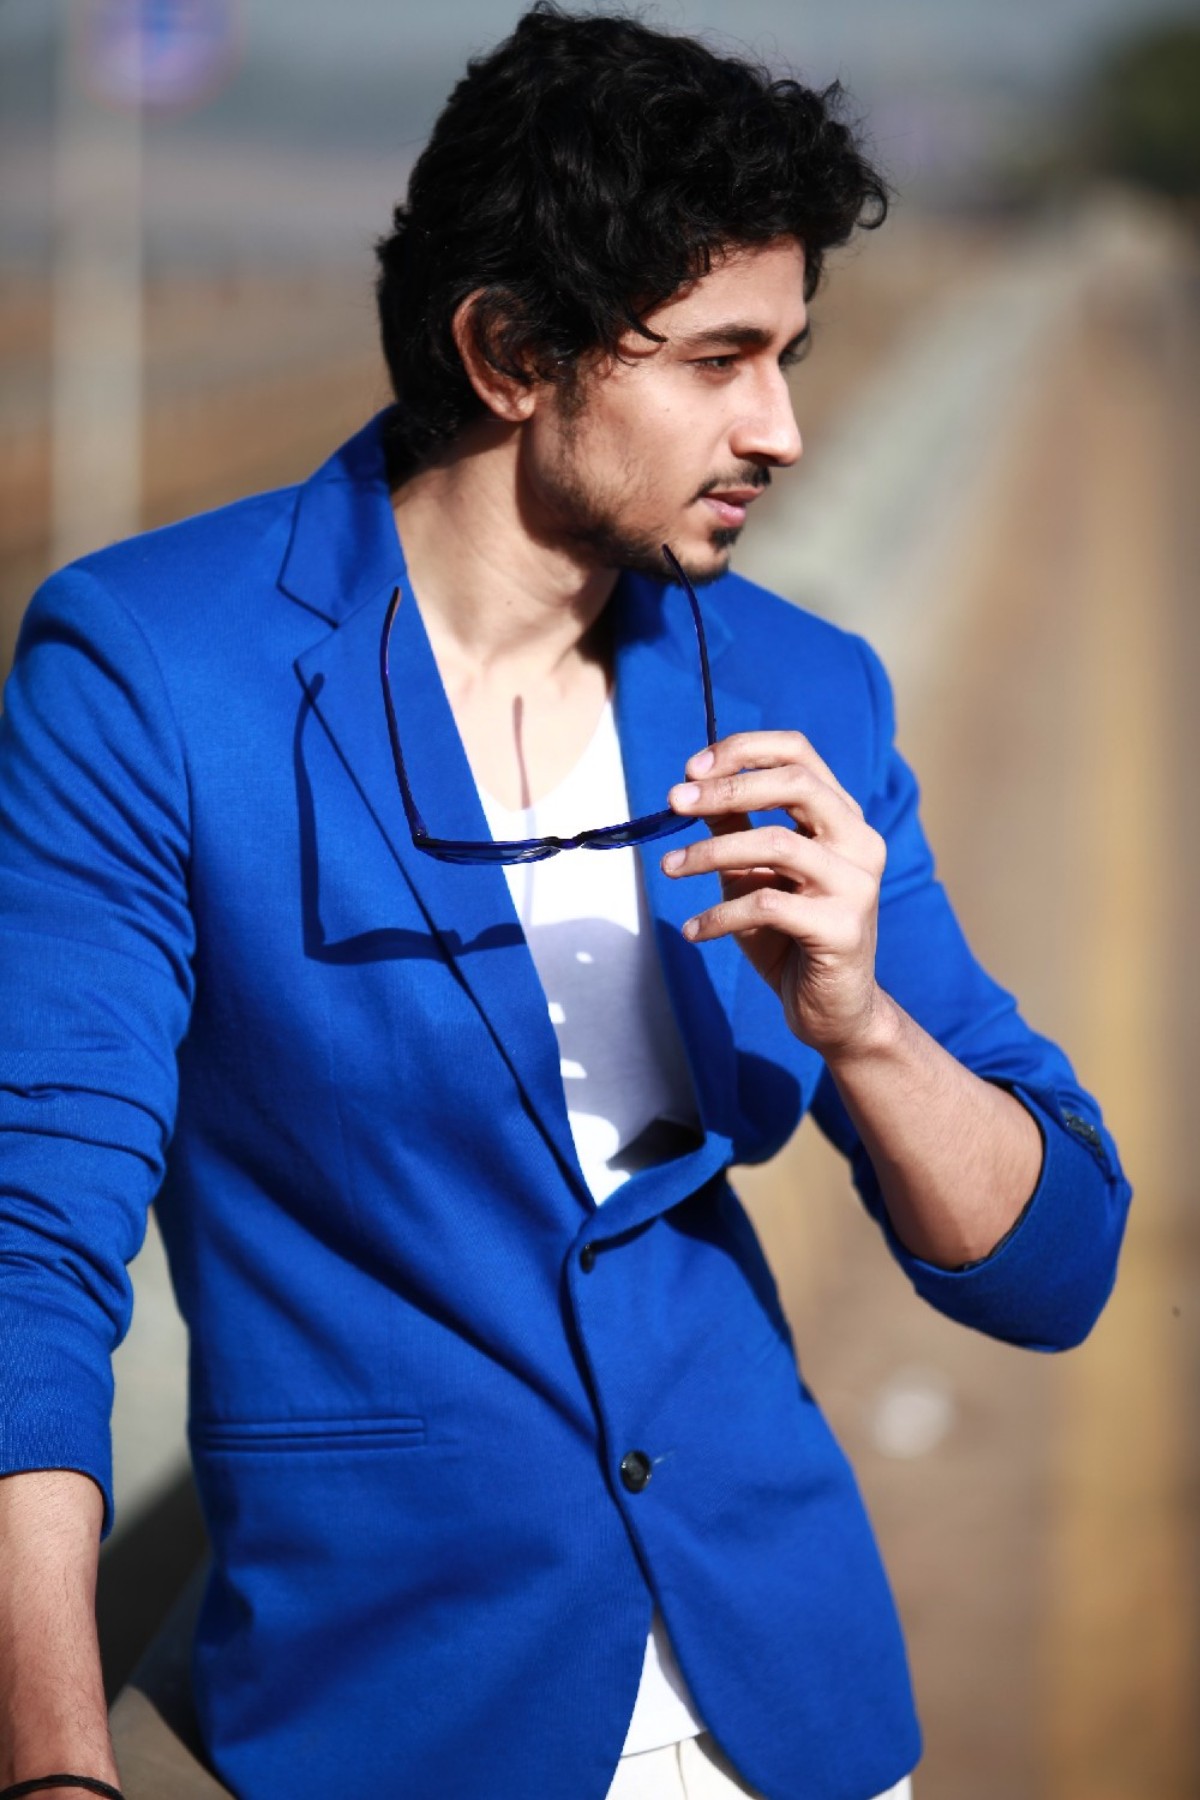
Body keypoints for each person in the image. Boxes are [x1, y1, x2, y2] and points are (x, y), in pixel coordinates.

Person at [0, 7, 1130, 1799]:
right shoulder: (154, 671)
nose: (782, 428)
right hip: (392, 1709)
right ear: (513, 351)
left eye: (793, 357)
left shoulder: (802, 689)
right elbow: (30, 1258)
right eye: (721, 359)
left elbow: (1061, 1270)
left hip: (796, 1699)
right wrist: (58, 1768)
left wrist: (860, 1023)